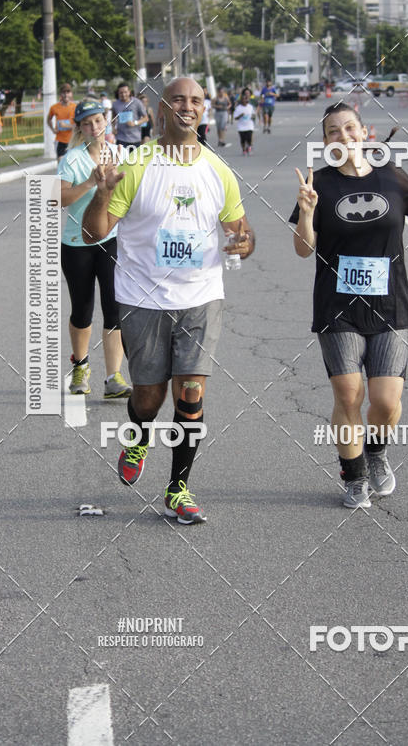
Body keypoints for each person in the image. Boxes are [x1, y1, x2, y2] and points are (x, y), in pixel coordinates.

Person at [81, 77, 255, 523]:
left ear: (205, 109)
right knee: (149, 396)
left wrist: (242, 243)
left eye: (196, 100)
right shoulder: (136, 165)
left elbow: (242, 233)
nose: (187, 106)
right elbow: (94, 232)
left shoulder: (218, 171)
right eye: (178, 98)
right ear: (162, 108)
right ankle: (138, 436)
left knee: (191, 392)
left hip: (201, 297)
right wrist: (101, 193)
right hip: (142, 297)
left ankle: (178, 487)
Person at [290, 101, 408, 510]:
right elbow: (304, 249)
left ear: (364, 132)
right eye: (333, 132)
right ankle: (354, 475)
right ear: (324, 142)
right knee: (348, 394)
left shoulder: (391, 176)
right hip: (337, 304)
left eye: (349, 128)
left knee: (387, 401)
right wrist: (306, 212)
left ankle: (375, 451)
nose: (343, 136)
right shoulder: (318, 183)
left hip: (390, 302)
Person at [58, 99, 132, 399]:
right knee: (82, 309)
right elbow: (59, 199)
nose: (94, 127)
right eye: (87, 123)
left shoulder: (120, 154)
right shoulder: (72, 160)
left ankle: (114, 377)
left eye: (99, 121)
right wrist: (91, 181)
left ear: (107, 122)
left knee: (114, 309)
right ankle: (81, 366)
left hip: (110, 241)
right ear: (80, 128)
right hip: (76, 246)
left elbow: (131, 193)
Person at [112, 83, 148, 150]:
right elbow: (113, 118)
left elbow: (146, 118)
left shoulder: (137, 102)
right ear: (118, 93)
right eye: (121, 93)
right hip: (121, 138)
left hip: (134, 139)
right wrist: (113, 128)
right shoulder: (115, 104)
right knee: (121, 159)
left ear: (129, 92)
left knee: (134, 160)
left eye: (125, 92)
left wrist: (135, 123)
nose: (123, 94)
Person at [47, 84, 76, 162]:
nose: (66, 94)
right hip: (60, 141)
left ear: (71, 94)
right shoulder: (54, 107)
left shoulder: (75, 107)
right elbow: (48, 119)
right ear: (60, 94)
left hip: (73, 140)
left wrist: (66, 125)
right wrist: (53, 129)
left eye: (68, 92)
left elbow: (78, 126)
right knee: (60, 163)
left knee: (72, 165)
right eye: (64, 92)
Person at [233, 87, 256, 155]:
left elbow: (254, 114)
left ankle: (249, 147)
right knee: (243, 140)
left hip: (249, 126)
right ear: (241, 100)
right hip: (241, 127)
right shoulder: (238, 108)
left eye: (246, 99)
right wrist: (240, 115)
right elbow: (235, 118)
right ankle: (243, 149)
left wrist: (253, 117)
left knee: (249, 138)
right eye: (243, 99)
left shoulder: (250, 107)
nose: (245, 100)